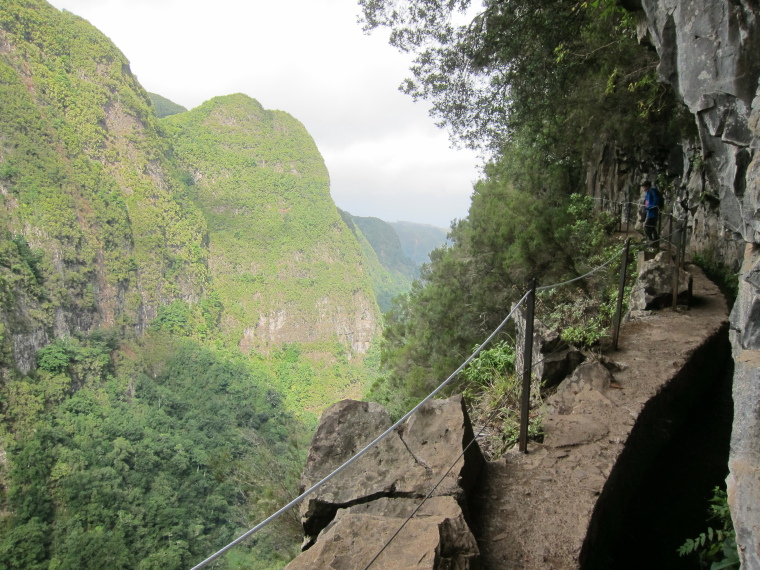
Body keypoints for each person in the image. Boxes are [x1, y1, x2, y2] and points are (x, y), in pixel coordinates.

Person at [641, 180, 660, 247]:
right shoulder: (648, 193)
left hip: (653, 213)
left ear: (648, 186)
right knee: (652, 228)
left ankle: (651, 240)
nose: (643, 188)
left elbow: (656, 200)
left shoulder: (652, 191)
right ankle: (655, 241)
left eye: (644, 187)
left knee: (646, 226)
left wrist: (650, 207)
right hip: (649, 213)